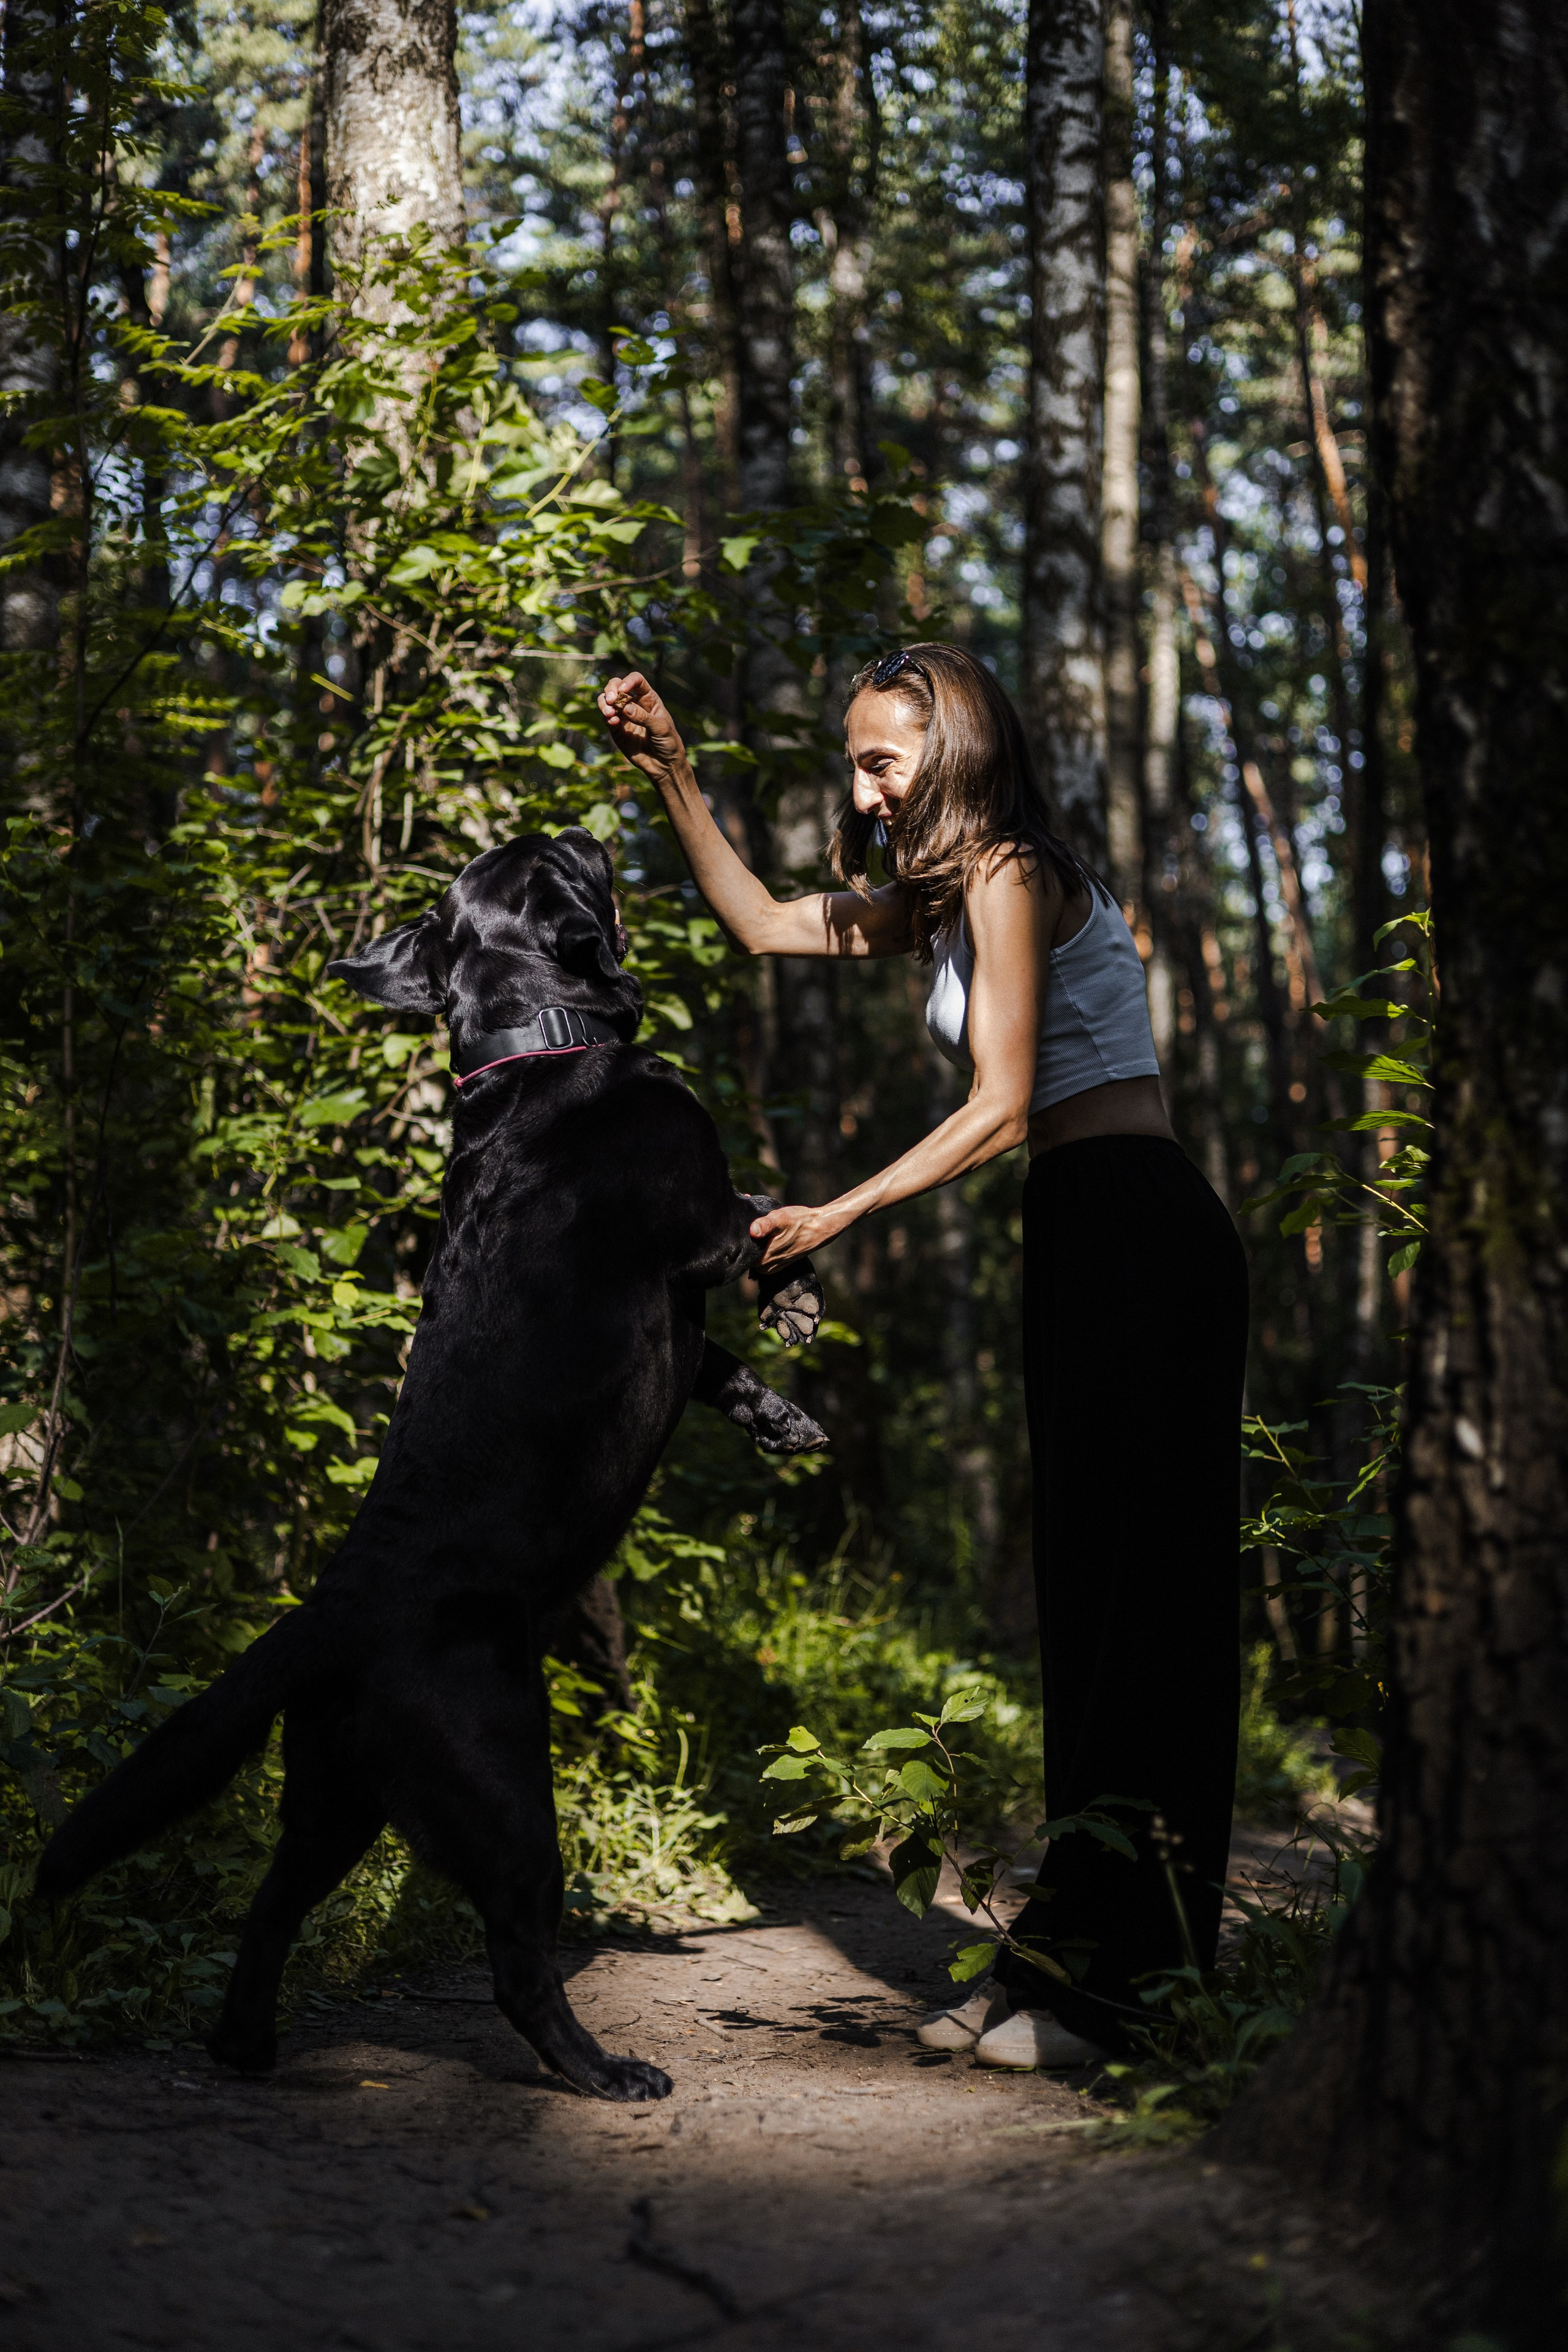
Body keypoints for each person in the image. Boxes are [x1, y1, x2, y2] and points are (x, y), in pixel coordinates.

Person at [597, 644, 1248, 2068]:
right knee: (1089, 1604)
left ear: (946, 751)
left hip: (1139, 1227)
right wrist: (673, 778)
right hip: (1082, 1235)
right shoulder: (943, 903)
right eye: (851, 762)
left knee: (1140, 1607)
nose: (862, 788)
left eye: (879, 761)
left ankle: (1128, 1991)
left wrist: (835, 1209)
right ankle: (1074, 1958)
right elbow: (768, 924)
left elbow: (1004, 1103)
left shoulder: (1011, 873)